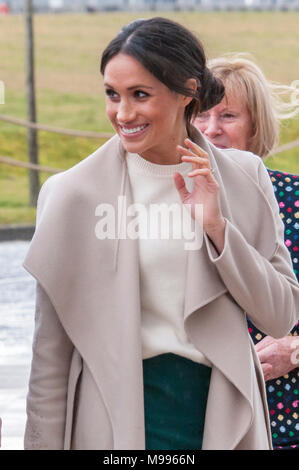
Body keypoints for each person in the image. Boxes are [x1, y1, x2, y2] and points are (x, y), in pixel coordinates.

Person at [23, 18, 299, 450]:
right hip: (113, 423)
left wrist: (217, 228)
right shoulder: (69, 194)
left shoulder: (246, 178)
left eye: (140, 95)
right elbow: (50, 359)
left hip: (222, 415)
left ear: (187, 91)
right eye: (112, 94)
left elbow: (280, 315)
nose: (123, 113)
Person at [193, 54, 299, 450]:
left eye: (228, 117)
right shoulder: (162, 204)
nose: (211, 129)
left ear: (257, 126)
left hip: (284, 418)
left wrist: (294, 348)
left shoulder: (295, 199)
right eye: (201, 115)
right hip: (197, 417)